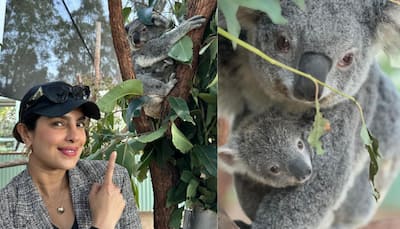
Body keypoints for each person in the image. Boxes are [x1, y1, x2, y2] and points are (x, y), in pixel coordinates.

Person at [0, 81, 142, 228]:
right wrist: (102, 224)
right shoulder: (6, 210)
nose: (75, 136)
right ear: (26, 134)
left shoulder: (110, 182)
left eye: (79, 124)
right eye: (58, 123)